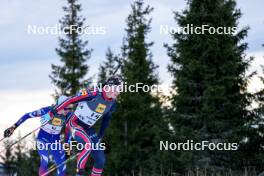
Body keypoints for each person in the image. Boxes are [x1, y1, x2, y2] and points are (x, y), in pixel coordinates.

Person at [54, 75, 122, 176]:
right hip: (74, 124)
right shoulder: (94, 93)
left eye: (121, 89)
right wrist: (54, 112)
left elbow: (106, 118)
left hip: (88, 129)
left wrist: (100, 136)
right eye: (118, 88)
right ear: (110, 87)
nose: (119, 92)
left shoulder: (112, 102)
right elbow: (71, 100)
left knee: (100, 160)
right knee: (88, 144)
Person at [4, 96, 73, 176]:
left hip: (55, 141)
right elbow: (27, 115)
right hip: (43, 138)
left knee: (62, 164)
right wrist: (14, 126)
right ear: (59, 106)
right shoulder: (47, 110)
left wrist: (68, 148)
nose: (68, 111)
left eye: (70, 108)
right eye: (66, 108)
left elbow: (68, 131)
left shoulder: (68, 115)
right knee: (45, 159)